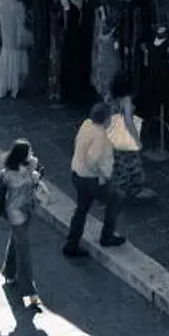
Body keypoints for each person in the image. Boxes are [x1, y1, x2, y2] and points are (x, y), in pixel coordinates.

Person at [62, 101, 124, 255]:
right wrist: (104, 175)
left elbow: (77, 142)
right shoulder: (102, 136)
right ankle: (107, 236)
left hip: (77, 174)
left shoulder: (86, 124)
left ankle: (71, 244)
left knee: (81, 210)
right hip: (92, 179)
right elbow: (93, 159)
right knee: (116, 200)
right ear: (104, 119)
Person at [0, 139, 45, 312]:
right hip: (16, 216)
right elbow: (0, 197)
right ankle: (31, 293)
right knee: (25, 254)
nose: (32, 154)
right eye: (29, 152)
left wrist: (36, 174)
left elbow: (35, 182)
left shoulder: (31, 167)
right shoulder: (7, 175)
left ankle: (8, 272)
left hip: (28, 212)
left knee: (16, 242)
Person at [0, 0, 30, 99]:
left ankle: (3, 88)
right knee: (17, 65)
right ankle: (15, 88)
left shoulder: (1, 3)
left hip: (5, 39)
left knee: (4, 65)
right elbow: (21, 24)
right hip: (17, 41)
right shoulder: (19, 6)